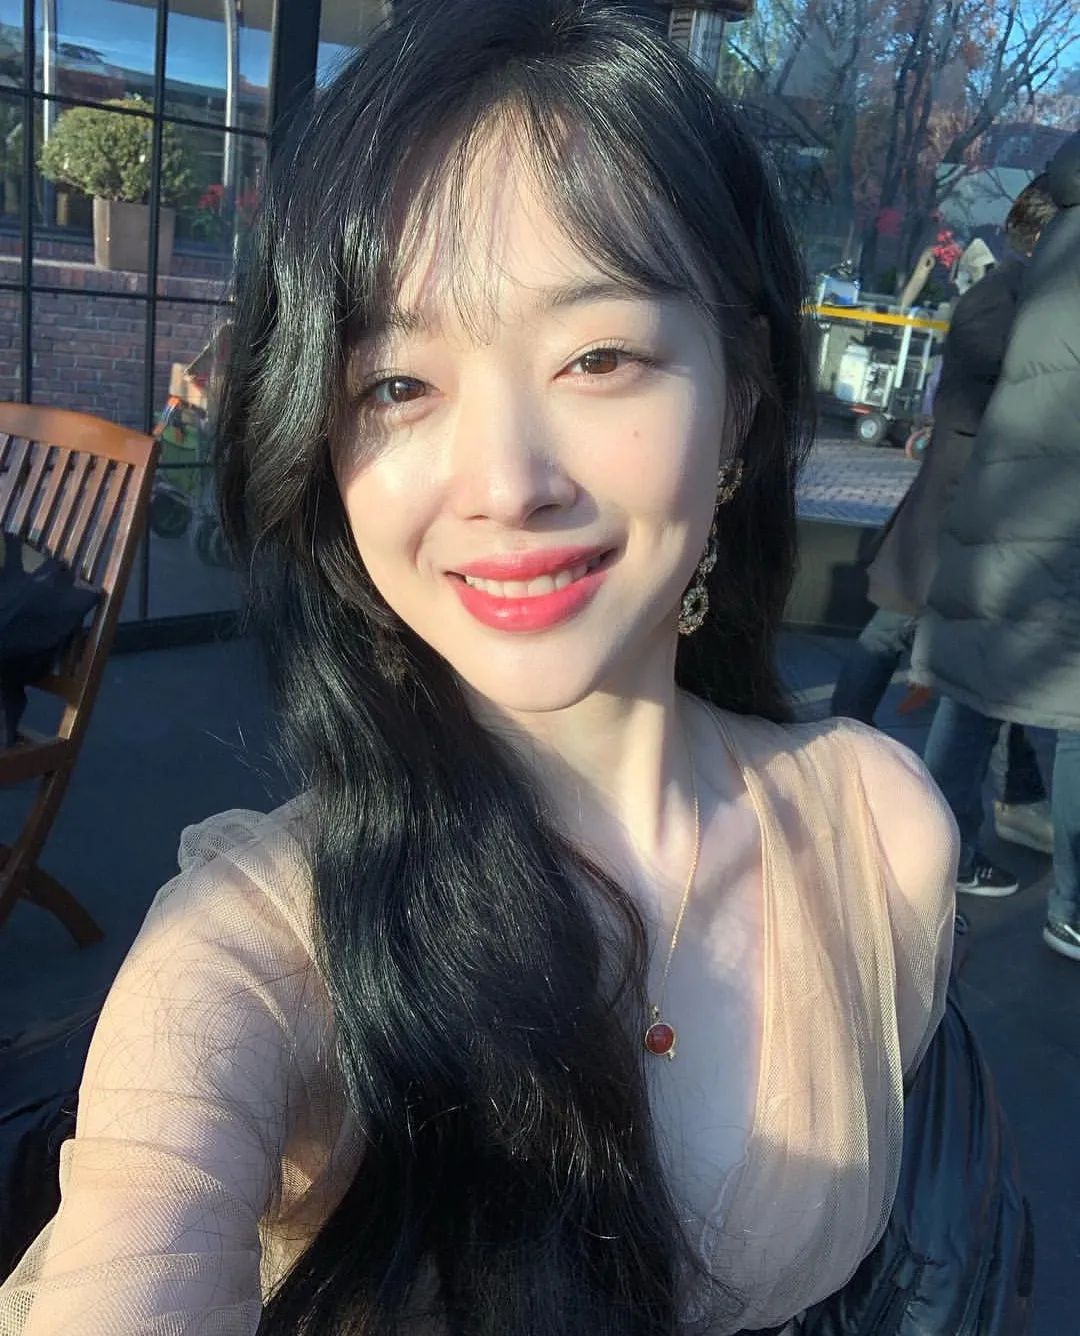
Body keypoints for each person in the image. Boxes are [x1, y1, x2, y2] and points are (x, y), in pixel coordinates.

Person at [0, 4, 960, 1333]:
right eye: (396, 384)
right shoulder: (258, 947)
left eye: (600, 356)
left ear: (739, 397)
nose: (508, 483)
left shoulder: (880, 833)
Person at [831, 178, 1060, 890]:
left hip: (964, 499)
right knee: (916, 645)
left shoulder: (1011, 295)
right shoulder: (1009, 299)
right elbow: (972, 404)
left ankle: (851, 754)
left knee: (927, 646)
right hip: (965, 502)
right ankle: (855, 761)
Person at [912, 129, 1080, 959]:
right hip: (1055, 507)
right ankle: (1072, 903)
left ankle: (929, 865)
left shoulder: (1042, 269)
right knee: (1070, 714)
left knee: (970, 688)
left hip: (1002, 497)